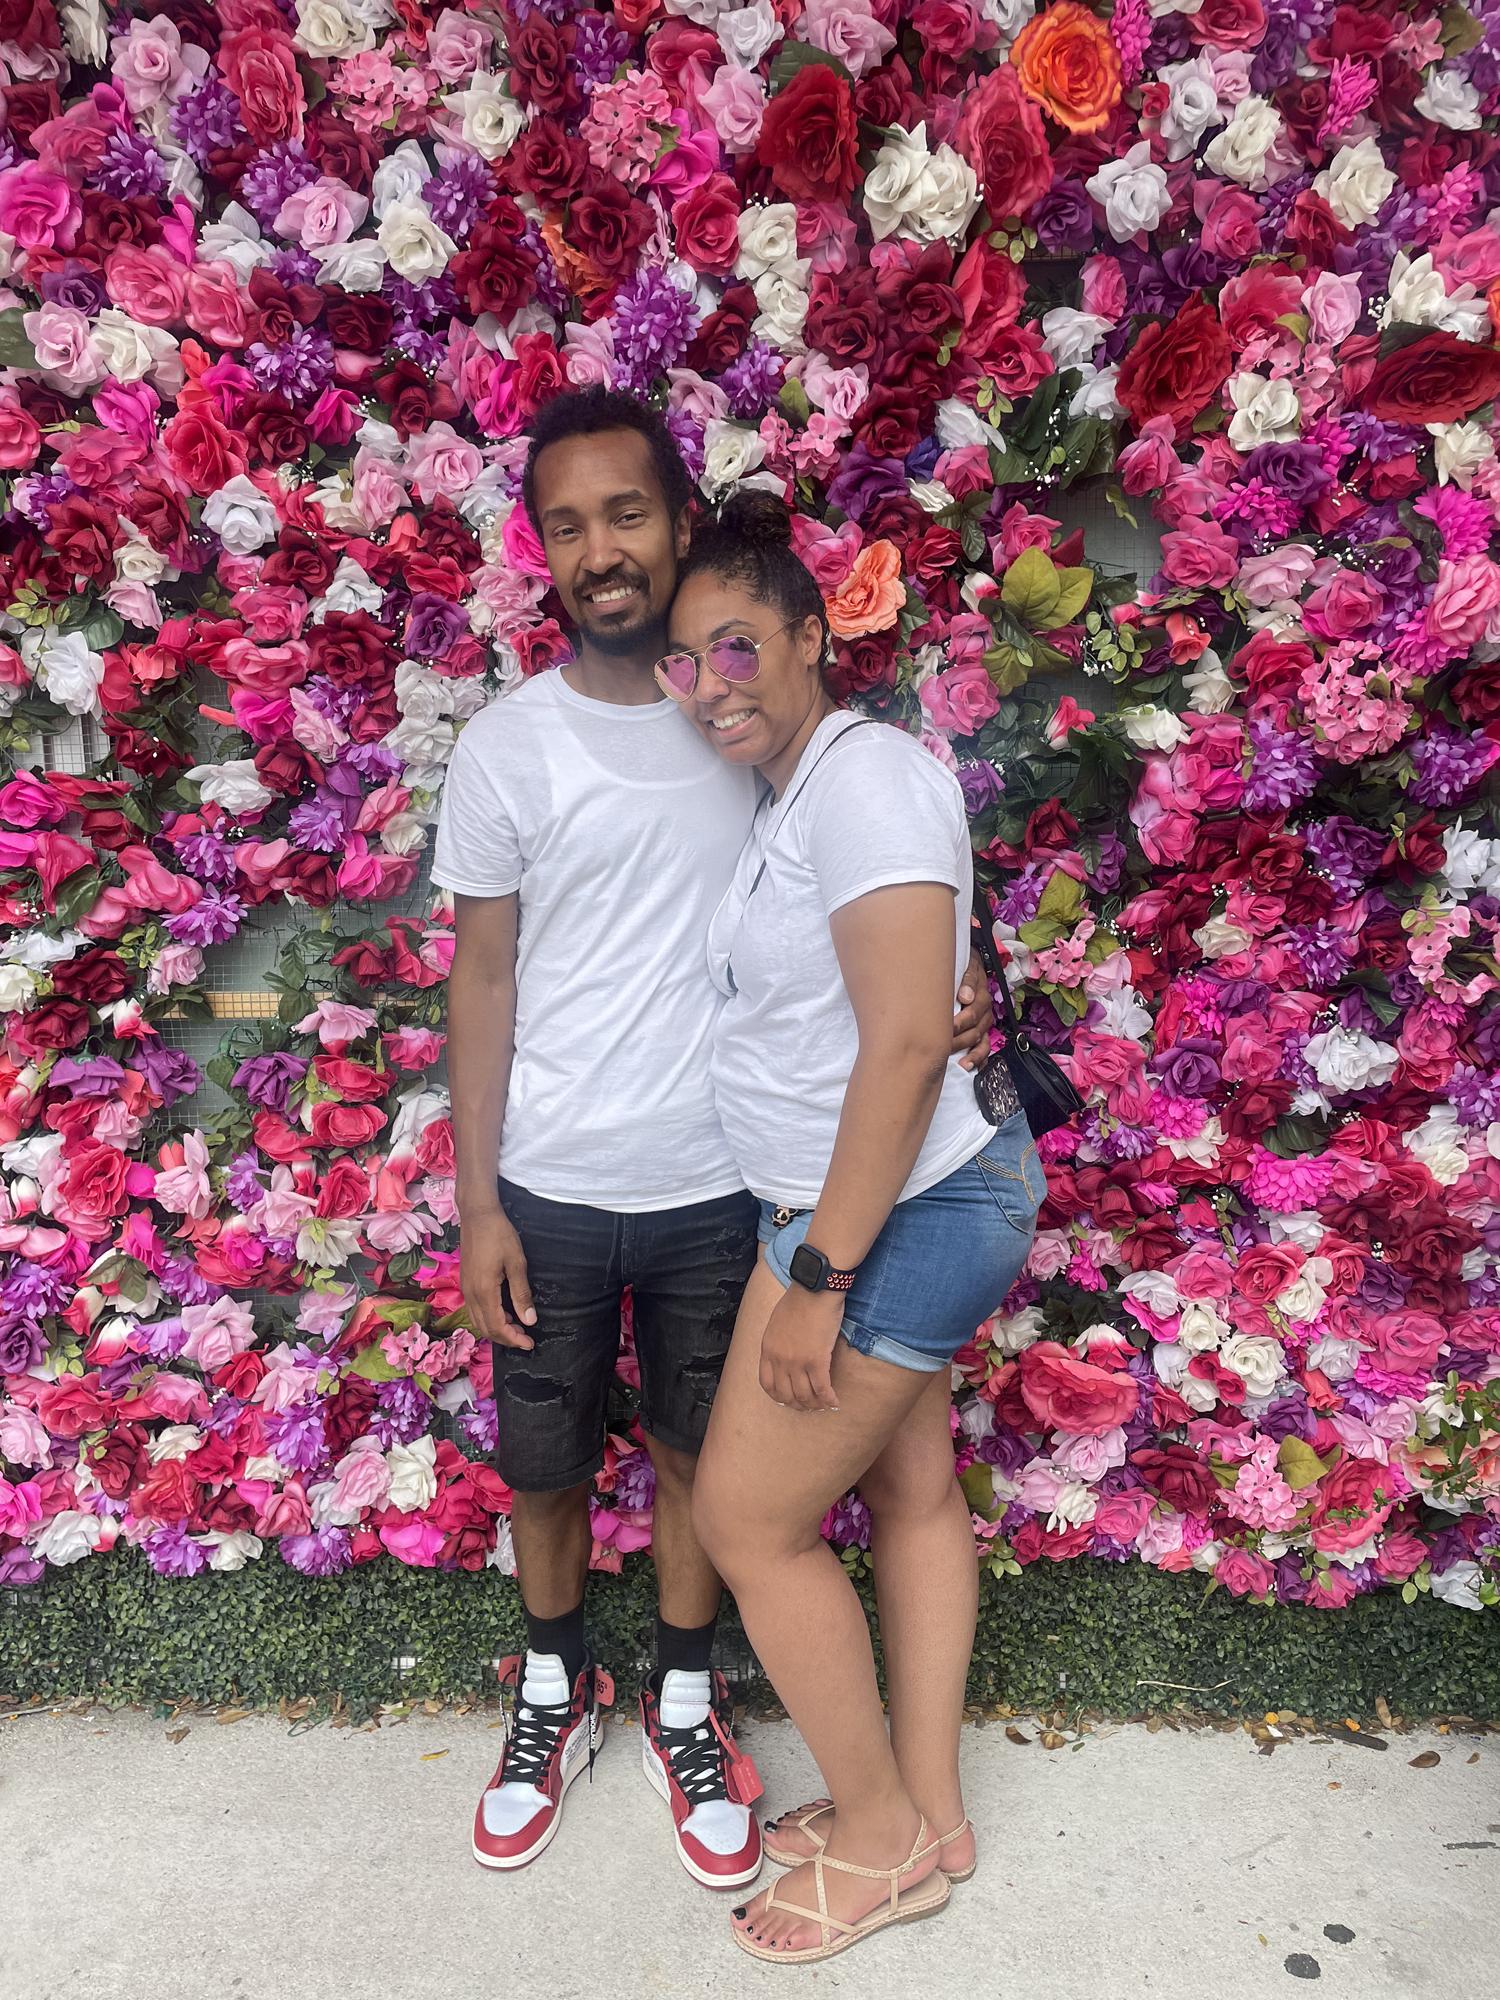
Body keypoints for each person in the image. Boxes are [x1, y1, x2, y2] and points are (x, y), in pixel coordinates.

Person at [430, 387, 993, 1888]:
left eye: (626, 513)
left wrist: (964, 975)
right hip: (553, 1179)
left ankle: (687, 1698)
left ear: (680, 523)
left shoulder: (746, 721)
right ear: (543, 554)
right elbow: (481, 978)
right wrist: (478, 1205)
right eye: (567, 526)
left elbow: (876, 885)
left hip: (726, 1189)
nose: (600, 550)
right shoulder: (514, 747)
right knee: (544, 1461)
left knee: (698, 1459)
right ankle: (554, 1687)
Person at [658, 492, 1043, 1964]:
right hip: (865, 1202)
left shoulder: (866, 779)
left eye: (737, 643)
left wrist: (821, 1275)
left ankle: (882, 1843)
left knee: (748, 1523)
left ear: (813, 637)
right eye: (686, 660)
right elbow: (890, 1003)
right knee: (915, 1494)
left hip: (893, 1216)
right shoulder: (803, 792)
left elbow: (904, 1045)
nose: (712, 683)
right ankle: (930, 1814)